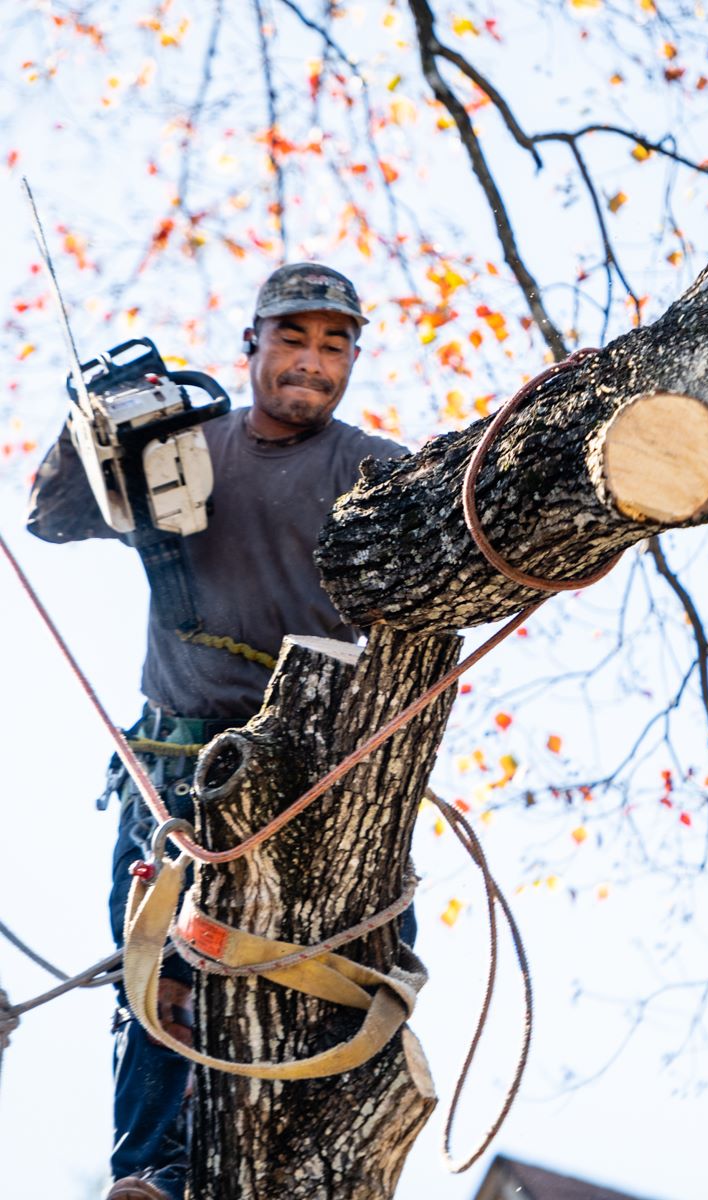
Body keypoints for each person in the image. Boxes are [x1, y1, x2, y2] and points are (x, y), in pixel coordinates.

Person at [26, 263, 412, 1200]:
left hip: (322, 772)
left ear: (353, 360)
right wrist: (93, 431)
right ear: (252, 346)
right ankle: (152, 1176)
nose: (311, 363)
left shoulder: (375, 469)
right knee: (156, 974)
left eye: (333, 345)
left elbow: (465, 554)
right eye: (292, 339)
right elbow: (52, 518)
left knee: (359, 975)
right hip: (176, 763)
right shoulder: (185, 448)